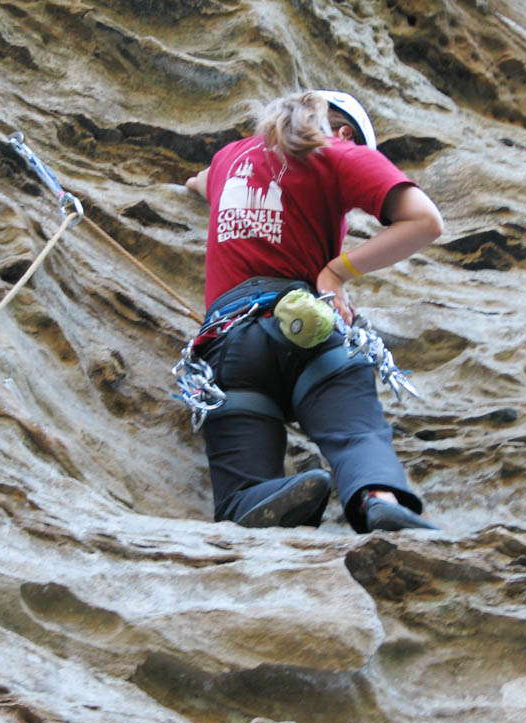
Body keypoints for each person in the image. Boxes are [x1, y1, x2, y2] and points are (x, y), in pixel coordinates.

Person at [184, 90, 443, 532]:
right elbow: (425, 221)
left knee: (240, 484)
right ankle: (375, 496)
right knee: (357, 431)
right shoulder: (338, 153)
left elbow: (195, 184)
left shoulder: (230, 159)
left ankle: (261, 498)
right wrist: (336, 272)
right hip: (312, 331)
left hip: (231, 343)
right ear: (343, 133)